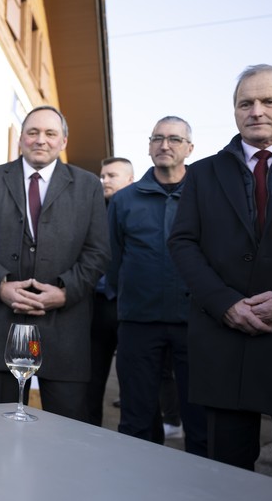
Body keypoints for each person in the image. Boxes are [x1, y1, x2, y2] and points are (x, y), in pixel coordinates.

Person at [168, 64, 272, 483]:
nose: (256, 110)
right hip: (225, 342)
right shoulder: (205, 172)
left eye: (269, 101)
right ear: (234, 111)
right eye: (246, 103)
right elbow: (182, 243)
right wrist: (224, 303)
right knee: (226, 477)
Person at [0, 106, 110, 422]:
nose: (41, 140)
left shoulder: (88, 186)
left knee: (66, 426)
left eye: (50, 133)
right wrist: (0, 285)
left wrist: (65, 292)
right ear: (20, 139)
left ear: (63, 141)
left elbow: (98, 252)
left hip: (64, 327)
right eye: (33, 132)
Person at [107, 116, 206, 456]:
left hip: (196, 322)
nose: (165, 145)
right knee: (136, 419)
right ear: (149, 146)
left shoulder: (205, 196)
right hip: (138, 321)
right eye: (158, 138)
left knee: (201, 420)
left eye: (175, 139)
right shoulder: (124, 201)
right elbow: (113, 256)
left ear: (189, 148)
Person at [86, 156, 133, 426]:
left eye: (111, 176)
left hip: (129, 306)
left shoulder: (139, 209)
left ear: (130, 179)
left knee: (134, 385)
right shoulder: (95, 211)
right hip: (97, 305)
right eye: (102, 176)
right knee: (92, 382)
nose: (104, 181)